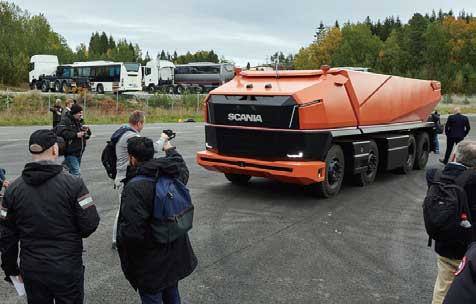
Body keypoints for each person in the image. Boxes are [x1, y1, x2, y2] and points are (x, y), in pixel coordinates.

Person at [0, 129, 100, 304]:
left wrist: (11, 269)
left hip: (32, 268)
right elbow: (89, 224)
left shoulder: (13, 190)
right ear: (55, 149)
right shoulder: (74, 183)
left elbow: (6, 235)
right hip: (66, 267)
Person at [117, 136, 196, 304]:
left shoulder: (135, 187)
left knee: (152, 296)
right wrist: (170, 148)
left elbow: (132, 232)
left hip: (150, 262)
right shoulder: (170, 173)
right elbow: (182, 167)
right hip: (174, 252)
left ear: (132, 158)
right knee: (172, 293)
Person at [427, 141, 476, 304]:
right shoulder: (472, 181)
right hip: (467, 245)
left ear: (455, 156)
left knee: (443, 286)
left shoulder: (434, 174)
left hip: (443, 241)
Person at [111, 110, 169, 249]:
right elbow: (151, 148)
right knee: (124, 210)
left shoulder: (123, 131)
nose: (143, 127)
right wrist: (163, 138)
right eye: (143, 124)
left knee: (125, 209)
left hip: (122, 175)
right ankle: (117, 240)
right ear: (139, 123)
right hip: (126, 176)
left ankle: (118, 238)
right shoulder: (131, 136)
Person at [57, 104, 91, 176]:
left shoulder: (80, 121)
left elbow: (87, 136)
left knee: (71, 171)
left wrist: (87, 130)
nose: (81, 114)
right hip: (70, 152)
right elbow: (61, 132)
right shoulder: (66, 120)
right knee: (76, 172)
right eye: (79, 113)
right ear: (74, 113)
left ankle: (63, 174)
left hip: (79, 152)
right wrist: (76, 135)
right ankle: (75, 186)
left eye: (81, 112)